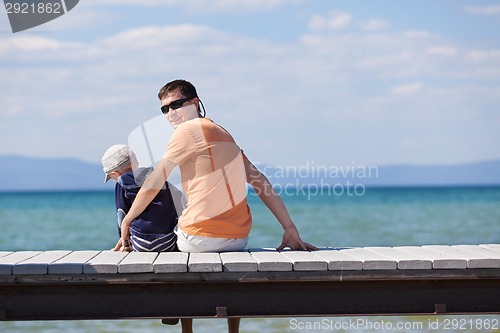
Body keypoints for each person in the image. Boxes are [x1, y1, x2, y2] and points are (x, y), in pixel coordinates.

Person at [117, 79, 317, 333]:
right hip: (238, 238)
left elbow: (155, 180)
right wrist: (289, 228)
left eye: (176, 104)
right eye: (164, 109)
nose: (171, 113)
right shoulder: (224, 134)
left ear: (195, 102)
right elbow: (259, 181)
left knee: (168, 239)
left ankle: (184, 325)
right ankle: (233, 330)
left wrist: (128, 220)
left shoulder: (186, 131)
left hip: (199, 238)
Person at [102, 144, 183, 252]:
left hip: (140, 243)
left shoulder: (121, 183)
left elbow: (121, 214)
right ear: (136, 162)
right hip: (167, 242)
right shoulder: (156, 177)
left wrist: (124, 242)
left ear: (115, 173)